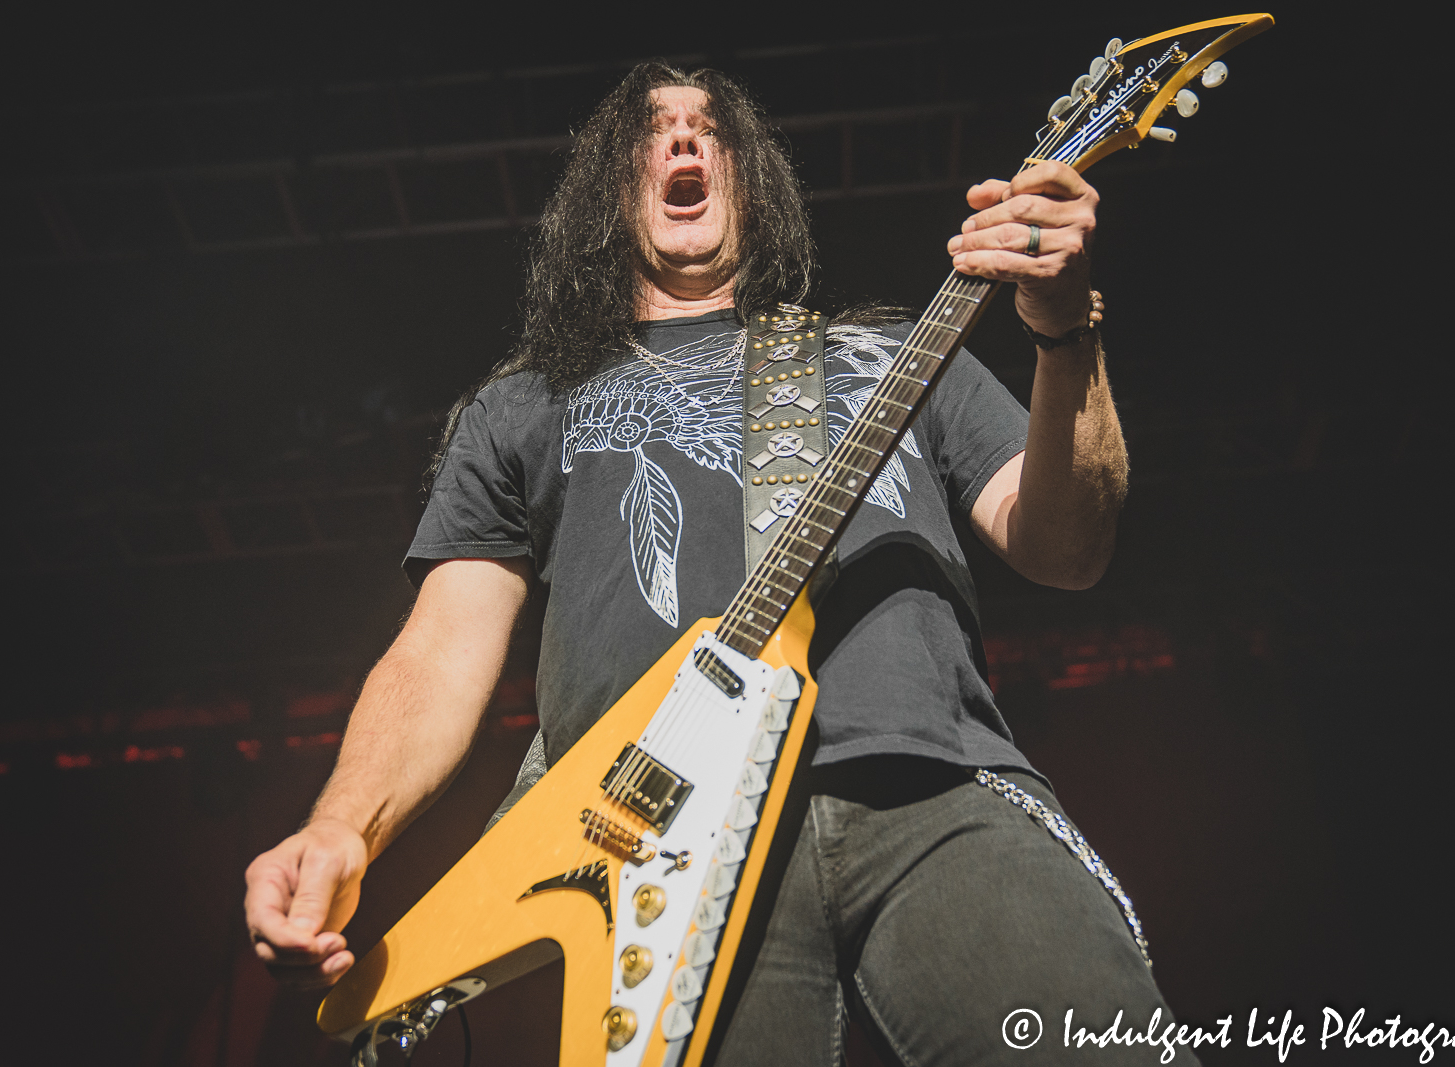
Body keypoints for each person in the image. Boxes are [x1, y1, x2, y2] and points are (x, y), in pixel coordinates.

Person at [245, 62, 1195, 1065]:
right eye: (654, 131)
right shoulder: (522, 406)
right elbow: (438, 653)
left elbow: (1067, 547)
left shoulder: (890, 351)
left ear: (753, 181)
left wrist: (1061, 335)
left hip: (931, 787)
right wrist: (343, 826)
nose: (687, 141)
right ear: (609, 188)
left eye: (713, 128)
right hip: (661, 856)